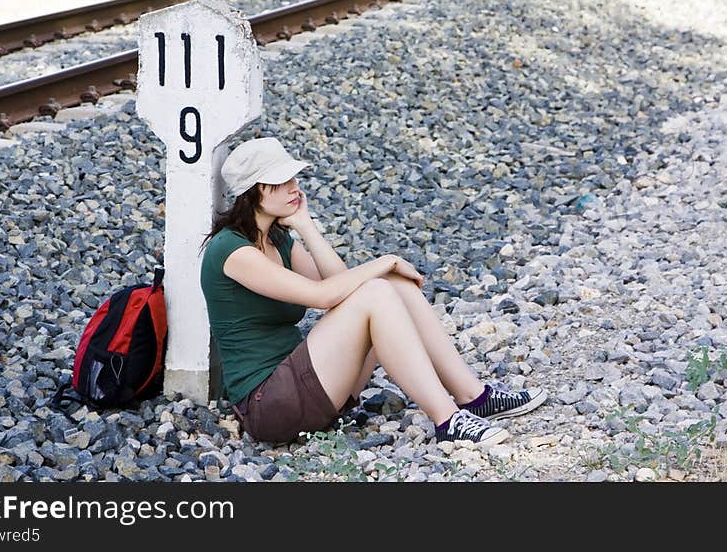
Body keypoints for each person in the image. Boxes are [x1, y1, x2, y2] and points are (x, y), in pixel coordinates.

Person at [199, 136, 548, 448]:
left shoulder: (277, 237)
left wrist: (305, 225)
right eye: (282, 181)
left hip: (308, 387)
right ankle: (446, 419)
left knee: (391, 287)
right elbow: (323, 297)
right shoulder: (232, 251)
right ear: (255, 191)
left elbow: (340, 284)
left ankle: (472, 397)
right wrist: (387, 260)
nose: (295, 187)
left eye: (293, 178)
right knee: (378, 290)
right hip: (269, 405)